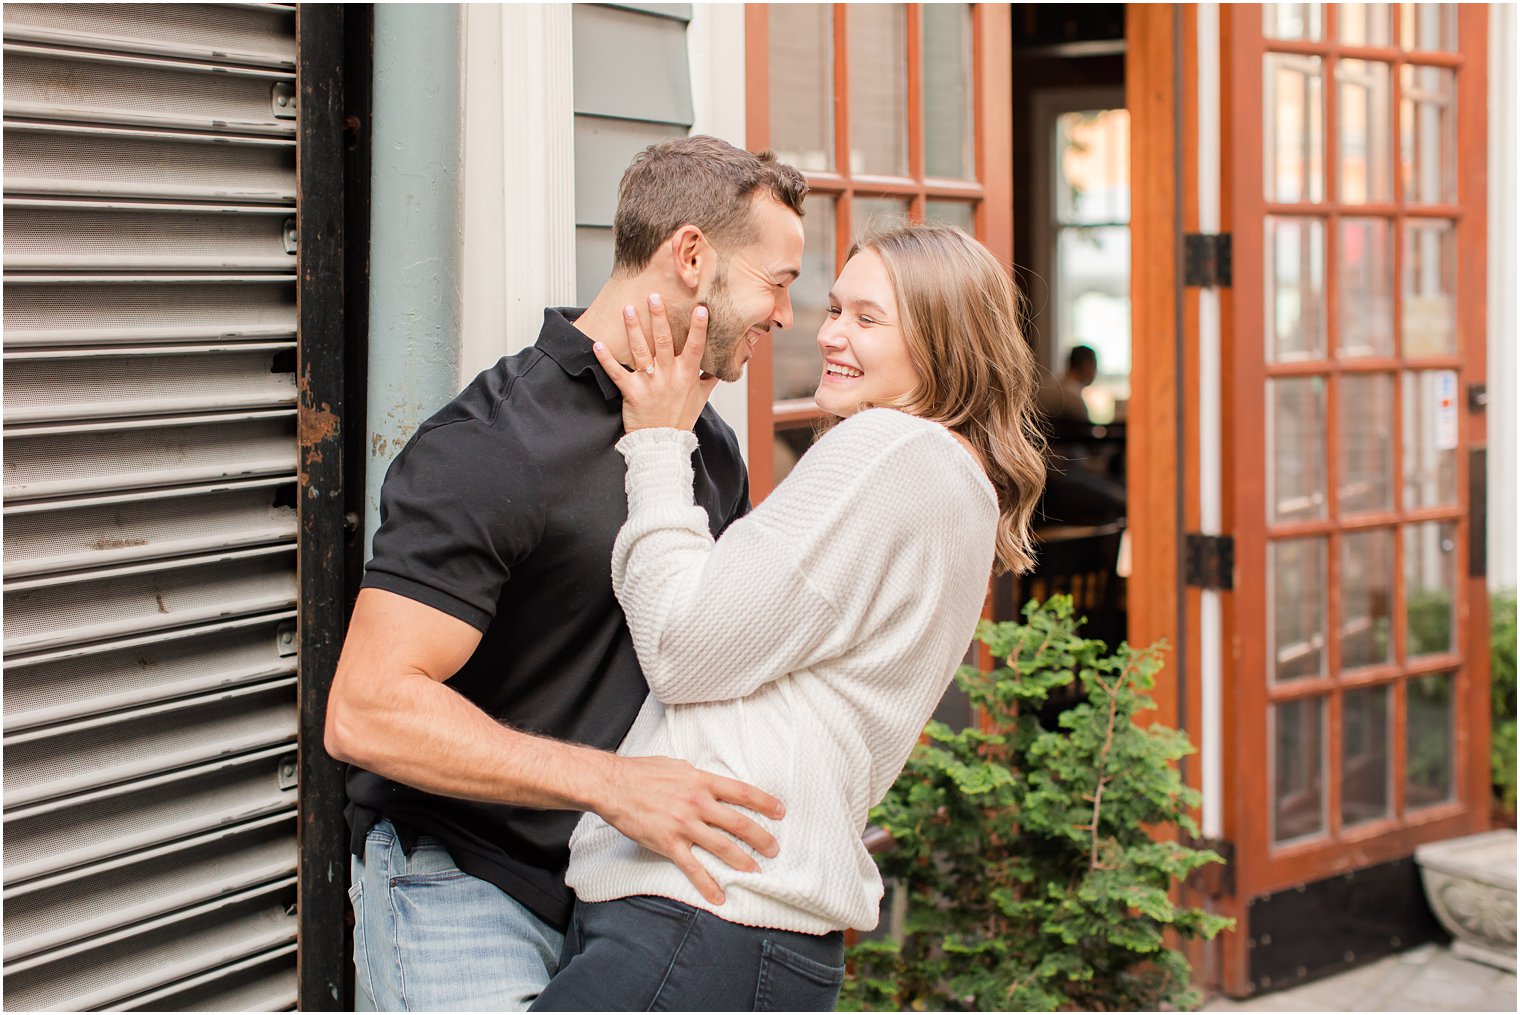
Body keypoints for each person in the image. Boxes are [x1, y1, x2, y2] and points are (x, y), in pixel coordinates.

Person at [323, 136, 808, 1011]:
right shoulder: (495, 442)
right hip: (464, 878)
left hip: (620, 884)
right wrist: (612, 784)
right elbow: (367, 708)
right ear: (692, 256)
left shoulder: (712, 453)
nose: (784, 313)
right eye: (777, 281)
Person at [530, 224, 1047, 1011]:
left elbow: (683, 644)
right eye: (834, 308)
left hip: (703, 910)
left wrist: (661, 444)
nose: (830, 333)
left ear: (945, 342)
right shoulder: (956, 485)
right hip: (752, 927)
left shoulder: (891, 449)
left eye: (868, 319)